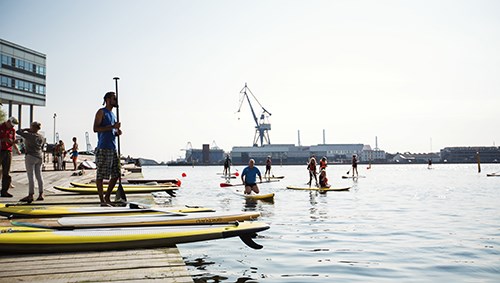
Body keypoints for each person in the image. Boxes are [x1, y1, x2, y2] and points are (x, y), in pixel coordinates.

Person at [93, 91, 122, 206]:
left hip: (113, 148)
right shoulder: (101, 112)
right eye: (114, 99)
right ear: (107, 100)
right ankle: (102, 200)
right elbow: (96, 128)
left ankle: (107, 196)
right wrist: (112, 127)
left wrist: (117, 132)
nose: (116, 101)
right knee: (101, 174)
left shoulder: (113, 115)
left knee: (116, 174)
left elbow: (112, 131)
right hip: (103, 148)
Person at [17, 121, 45, 202]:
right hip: (39, 156)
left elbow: (18, 132)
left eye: (31, 126)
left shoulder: (29, 135)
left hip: (30, 156)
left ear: (33, 127)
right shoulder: (41, 137)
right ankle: (41, 193)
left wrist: (26, 129)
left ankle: (31, 195)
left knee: (31, 176)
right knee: (39, 176)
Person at [0, 117, 19, 197]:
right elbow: (3, 139)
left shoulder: (12, 130)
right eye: (11, 125)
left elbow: (13, 140)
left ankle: (4, 191)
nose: (12, 127)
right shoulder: (1, 127)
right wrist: (6, 140)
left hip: (8, 151)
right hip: (0, 150)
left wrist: (17, 148)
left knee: (6, 172)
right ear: (8, 121)